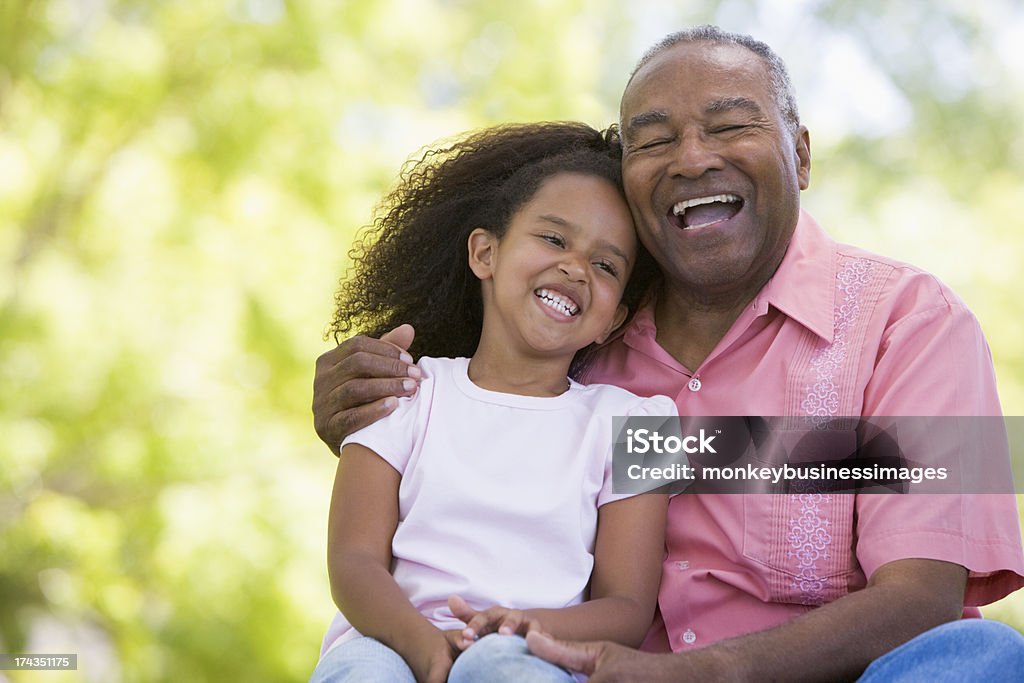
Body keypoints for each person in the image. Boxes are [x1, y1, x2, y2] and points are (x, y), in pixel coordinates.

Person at [312, 26, 1024, 682]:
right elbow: (458, 441)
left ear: (800, 154)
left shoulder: (909, 321)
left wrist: (701, 673)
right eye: (652, 141)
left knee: (986, 655)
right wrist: (359, 403)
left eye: (729, 125)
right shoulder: (582, 345)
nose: (692, 157)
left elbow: (924, 596)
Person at [309, 121, 676, 683]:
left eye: (606, 266)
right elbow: (353, 563)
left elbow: (627, 608)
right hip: (388, 637)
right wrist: (425, 646)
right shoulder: (403, 391)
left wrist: (519, 627)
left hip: (531, 647)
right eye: (554, 239)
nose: (576, 267)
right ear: (485, 252)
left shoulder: (633, 424)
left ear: (615, 320)